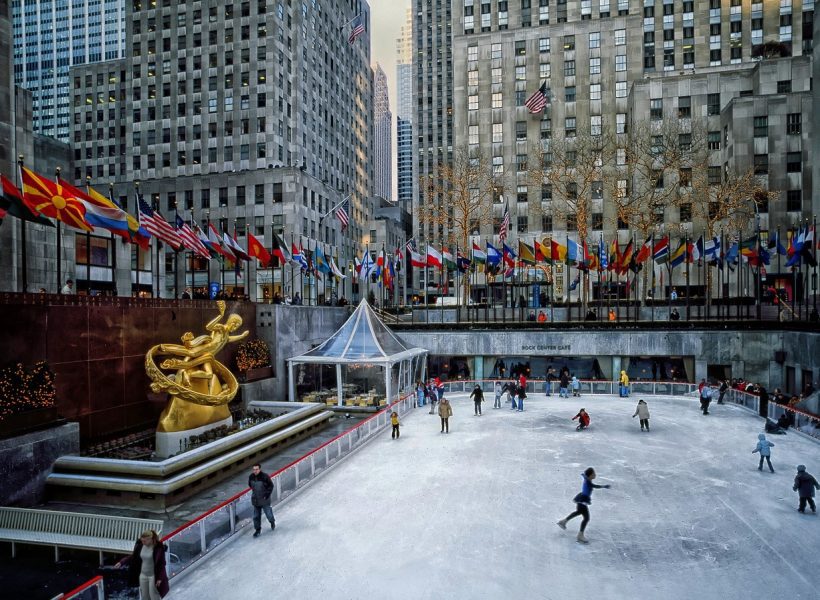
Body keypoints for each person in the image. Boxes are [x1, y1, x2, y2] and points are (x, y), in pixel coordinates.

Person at [556, 467, 611, 544]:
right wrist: (604, 486)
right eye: (594, 474)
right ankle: (580, 535)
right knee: (586, 518)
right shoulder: (588, 482)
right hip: (583, 501)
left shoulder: (587, 480)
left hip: (580, 499)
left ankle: (563, 521)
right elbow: (595, 486)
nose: (595, 475)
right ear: (590, 475)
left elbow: (592, 485)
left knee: (578, 512)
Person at [125, 530, 170, 599]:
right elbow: (134, 556)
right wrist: (122, 562)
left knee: (153, 595)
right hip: (143, 575)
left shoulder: (158, 548)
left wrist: (160, 578)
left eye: (144, 541)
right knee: (145, 596)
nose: (143, 543)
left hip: (153, 576)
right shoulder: (140, 546)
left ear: (150, 539)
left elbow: (162, 564)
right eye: (142, 541)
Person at [248, 463, 275, 537]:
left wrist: (266, 495)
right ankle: (257, 530)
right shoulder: (251, 477)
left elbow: (271, 486)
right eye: (254, 469)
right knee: (256, 516)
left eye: (256, 469)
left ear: (260, 469)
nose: (255, 471)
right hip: (256, 500)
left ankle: (272, 522)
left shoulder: (265, 476)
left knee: (268, 514)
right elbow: (250, 485)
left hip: (264, 500)